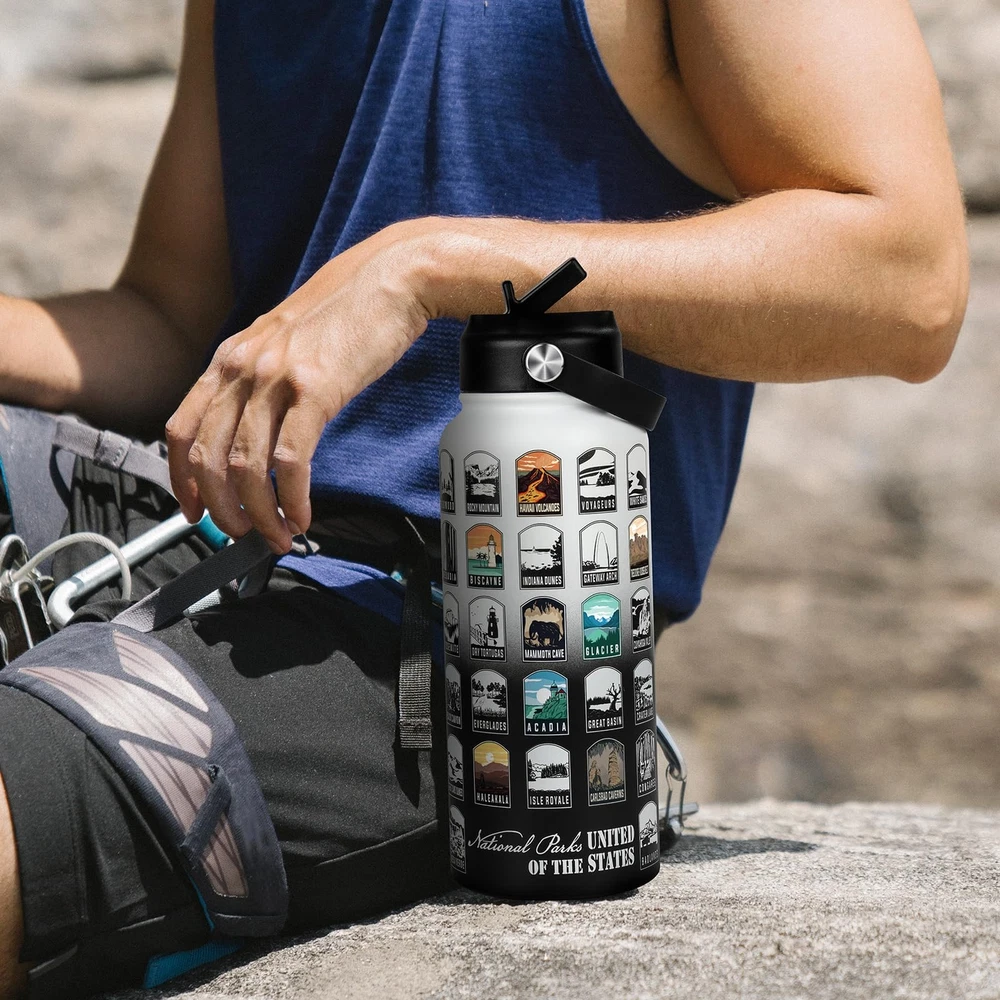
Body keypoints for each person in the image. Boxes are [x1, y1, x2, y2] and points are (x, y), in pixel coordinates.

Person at [0, 0, 969, 995]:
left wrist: (429, 267)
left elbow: (909, 281)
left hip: (474, 645)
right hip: (208, 531)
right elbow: (174, 321)